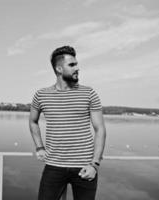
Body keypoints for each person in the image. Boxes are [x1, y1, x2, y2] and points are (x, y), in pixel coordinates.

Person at [29, 46, 106, 200]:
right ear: (58, 69)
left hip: (84, 168)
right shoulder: (41, 95)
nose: (77, 68)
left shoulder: (89, 93)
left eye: (77, 64)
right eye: (72, 65)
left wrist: (94, 165)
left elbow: (100, 130)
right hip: (54, 166)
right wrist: (39, 147)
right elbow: (33, 121)